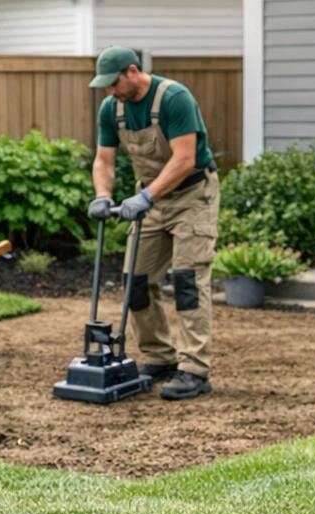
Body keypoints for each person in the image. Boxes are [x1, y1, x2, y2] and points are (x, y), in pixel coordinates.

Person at [87, 45, 219, 401]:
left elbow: (185, 159)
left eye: (113, 83)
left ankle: (194, 370)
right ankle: (160, 356)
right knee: (136, 281)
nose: (110, 90)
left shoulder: (174, 98)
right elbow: (104, 159)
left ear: (132, 71)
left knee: (188, 281)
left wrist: (146, 196)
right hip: (151, 201)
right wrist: (103, 195)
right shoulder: (111, 109)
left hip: (192, 196)